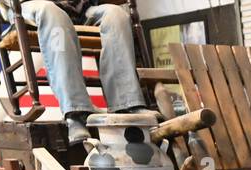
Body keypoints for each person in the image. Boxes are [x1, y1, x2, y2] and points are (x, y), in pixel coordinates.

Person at [17, 0, 152, 144]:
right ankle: (75, 114)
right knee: (52, 13)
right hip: (33, 5)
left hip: (80, 9)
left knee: (116, 14)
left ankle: (127, 104)